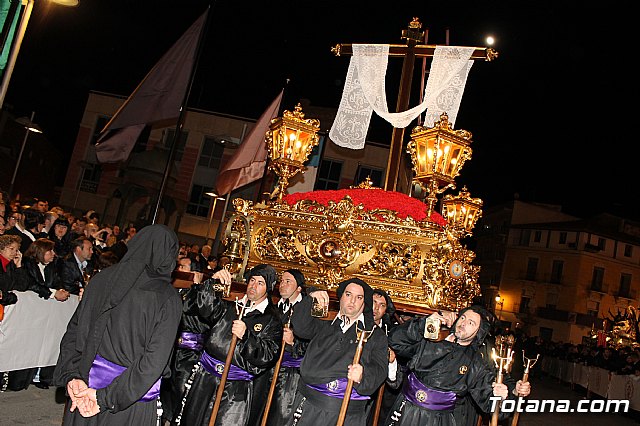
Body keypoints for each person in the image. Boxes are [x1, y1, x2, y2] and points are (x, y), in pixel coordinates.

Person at [52, 224, 183, 425]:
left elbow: (73, 333)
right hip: (126, 402)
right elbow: (153, 363)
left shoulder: (99, 279)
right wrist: (104, 398)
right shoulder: (167, 297)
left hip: (84, 390)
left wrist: (73, 377)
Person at [173, 264, 283, 426]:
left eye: (260, 283)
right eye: (252, 280)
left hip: (234, 390)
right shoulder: (231, 305)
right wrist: (212, 282)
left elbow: (267, 355)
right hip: (205, 379)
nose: (253, 286)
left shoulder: (271, 319)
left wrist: (246, 337)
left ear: (268, 288)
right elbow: (202, 307)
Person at [384, 305, 531, 426]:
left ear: (478, 333)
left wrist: (504, 396)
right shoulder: (431, 338)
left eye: (471, 323)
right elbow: (395, 341)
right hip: (406, 409)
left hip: (439, 420)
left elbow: (493, 406)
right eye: (463, 317)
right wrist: (424, 324)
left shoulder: (475, 363)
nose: (463, 323)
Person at [286, 277, 389, 426]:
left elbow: (380, 369)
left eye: (358, 297)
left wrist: (362, 375)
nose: (352, 301)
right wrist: (311, 298)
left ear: (364, 302)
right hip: (309, 406)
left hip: (346, 413)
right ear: (341, 297)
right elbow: (301, 326)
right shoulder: (325, 323)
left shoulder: (374, 335)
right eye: (348, 295)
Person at [263, 269, 311, 426]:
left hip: (290, 375)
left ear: (298, 288)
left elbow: (313, 344)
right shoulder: (274, 307)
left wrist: (292, 343)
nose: (282, 284)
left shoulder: (307, 311)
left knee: (281, 416)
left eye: (288, 281)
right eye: (281, 281)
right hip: (269, 367)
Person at [367, 289, 402, 426]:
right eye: (374, 302)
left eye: (382, 305)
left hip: (377, 396)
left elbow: (395, 381)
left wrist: (392, 361)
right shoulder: (355, 323)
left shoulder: (392, 333)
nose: (376, 308)